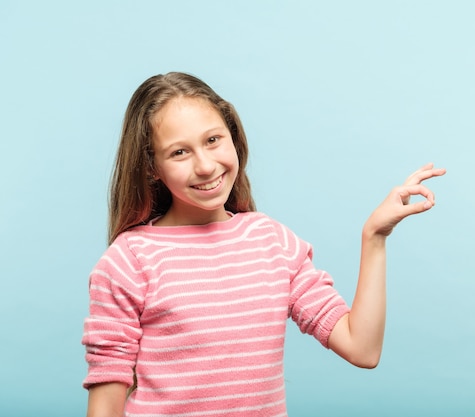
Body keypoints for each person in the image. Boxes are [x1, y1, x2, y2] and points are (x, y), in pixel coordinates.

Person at [82, 71, 446, 417]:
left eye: (213, 140)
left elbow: (362, 348)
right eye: (180, 152)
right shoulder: (128, 261)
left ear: (233, 136)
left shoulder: (274, 243)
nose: (206, 166)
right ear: (151, 166)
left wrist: (375, 237)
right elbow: (105, 406)